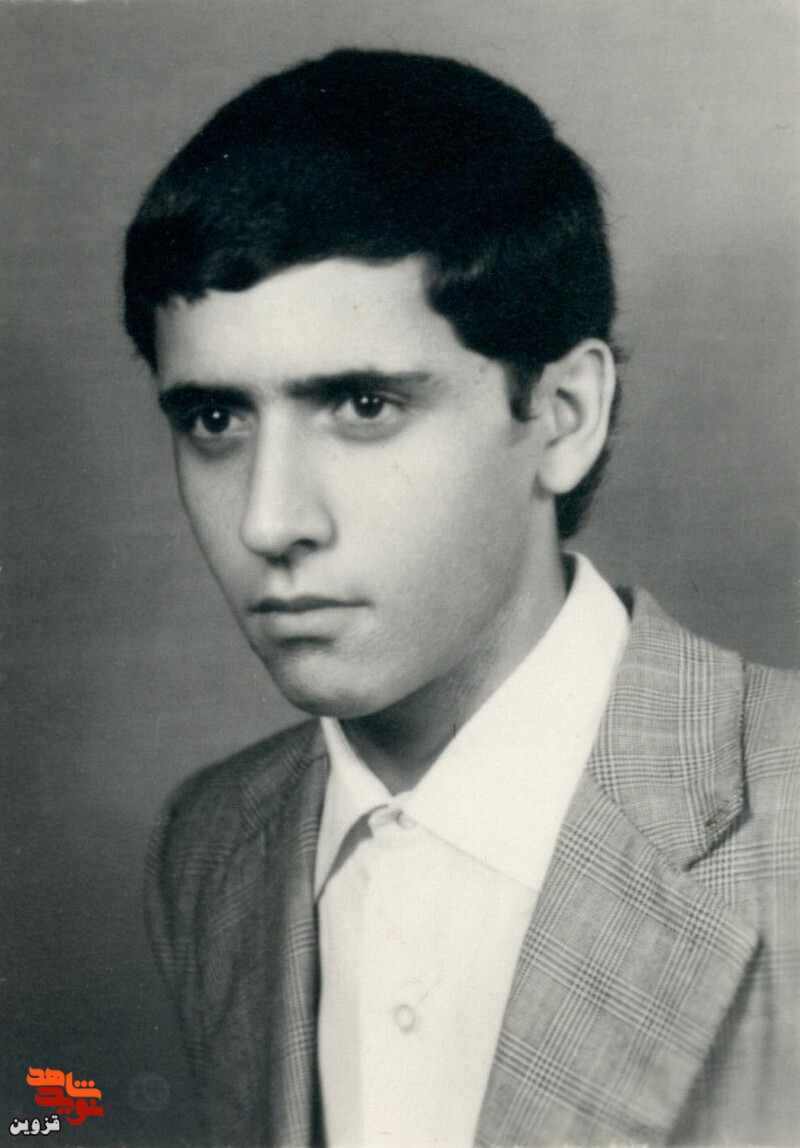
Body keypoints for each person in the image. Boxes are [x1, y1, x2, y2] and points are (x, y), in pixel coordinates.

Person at [123, 49, 800, 1147]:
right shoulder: (208, 845)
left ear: (565, 415)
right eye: (215, 420)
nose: (268, 519)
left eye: (363, 405)